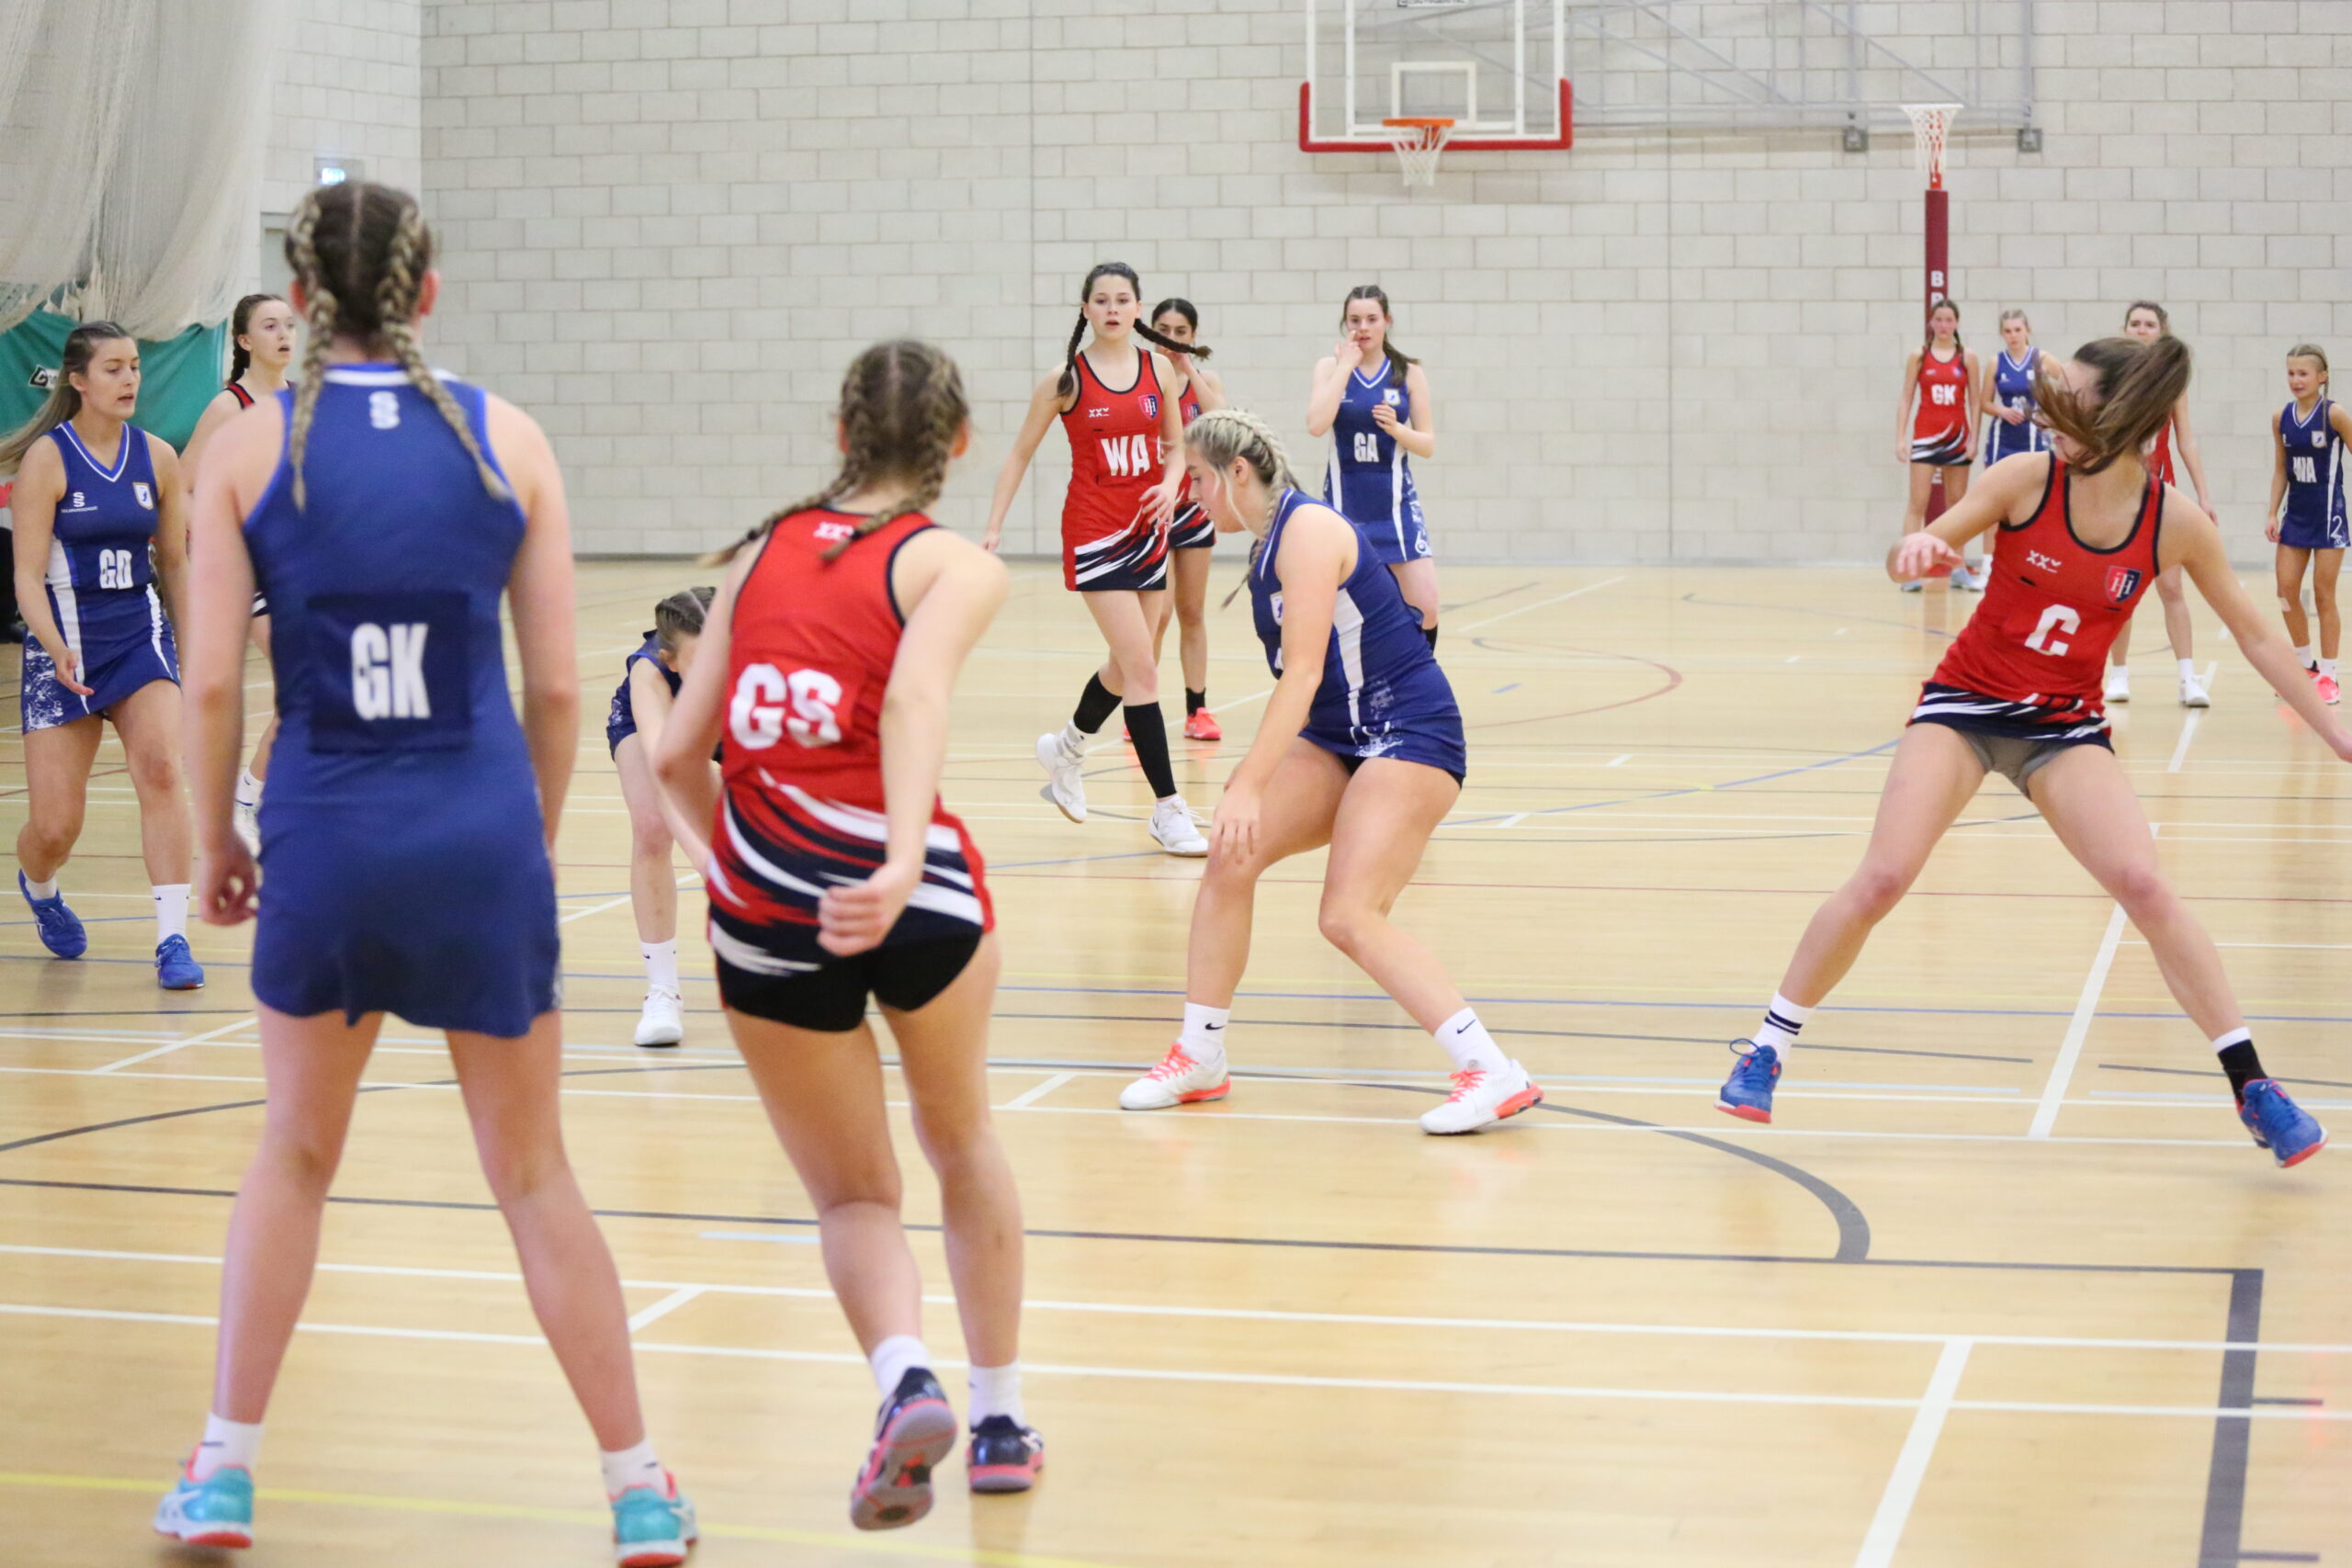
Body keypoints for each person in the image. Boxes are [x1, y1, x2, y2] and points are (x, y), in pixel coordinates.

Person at [164, 181, 696, 1563]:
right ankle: (639, 1487)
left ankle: (224, 1472)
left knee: (293, 1155)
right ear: (430, 291)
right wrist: (527, 834)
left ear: (300, 302)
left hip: (326, 836)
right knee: (533, 1172)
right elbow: (562, 688)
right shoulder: (503, 436)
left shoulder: (248, 446)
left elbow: (212, 680)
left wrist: (219, 838)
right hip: (476, 836)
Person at [1715, 333, 2335, 1170]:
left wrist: (2335, 729)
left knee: (2146, 884)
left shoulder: (2173, 522)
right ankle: (1768, 1047)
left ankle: (2253, 1085)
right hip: (1966, 706)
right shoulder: (2023, 479)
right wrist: (1914, 552)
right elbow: (1912, 550)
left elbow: (2258, 637)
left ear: (2114, 418)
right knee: (1884, 875)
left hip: (2063, 728)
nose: (2048, 411)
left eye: (2068, 398)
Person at [656, 340, 1044, 1530]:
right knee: (962, 1138)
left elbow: (674, 755)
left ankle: (904, 1376)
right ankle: (998, 1419)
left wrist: (736, 868)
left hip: (767, 904)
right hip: (910, 887)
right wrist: (896, 859)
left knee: (854, 1198)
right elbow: (915, 696)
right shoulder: (956, 563)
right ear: (959, 443)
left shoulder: (756, 554)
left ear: (839, 433)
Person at [1118, 408, 1545, 1136]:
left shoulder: (1309, 531)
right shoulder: (1265, 546)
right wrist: (1250, 777)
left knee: (1347, 914)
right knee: (1229, 856)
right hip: (1337, 738)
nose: (1191, 495)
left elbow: (1304, 670)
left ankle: (1491, 1068)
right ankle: (1200, 1055)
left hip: (1408, 731)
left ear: (1237, 473)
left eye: (1198, 480)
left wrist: (1251, 780)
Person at [983, 262, 1210, 854]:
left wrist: (1171, 484)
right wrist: (994, 528)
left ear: (1137, 308)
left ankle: (1066, 748)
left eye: (1122, 299)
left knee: (1125, 663)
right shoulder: (1065, 380)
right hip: (1094, 535)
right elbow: (1019, 454)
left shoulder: (1159, 369)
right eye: (1102, 300)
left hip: (1149, 530)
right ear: (1086, 309)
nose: (1112, 308)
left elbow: (1178, 448)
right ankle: (1168, 810)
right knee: (1143, 670)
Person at [1, 321, 203, 989]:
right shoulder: (48, 460)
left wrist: (194, 650)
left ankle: (173, 938)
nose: (130, 379)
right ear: (79, 381)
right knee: (55, 827)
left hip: (139, 637)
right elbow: (27, 576)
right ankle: (40, 885)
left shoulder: (158, 457)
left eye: (135, 366)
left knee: (162, 769)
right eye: (114, 368)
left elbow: (174, 564)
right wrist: (54, 645)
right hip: (66, 648)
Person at [183, 292, 300, 851]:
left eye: (289, 325)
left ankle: (263, 796)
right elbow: (182, 488)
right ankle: (246, 800)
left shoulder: (304, 401)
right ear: (245, 340)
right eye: (270, 326)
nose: (284, 334)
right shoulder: (229, 408)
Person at [607, 585, 716, 1044]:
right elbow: (667, 773)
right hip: (653, 723)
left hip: (723, 717)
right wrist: (704, 860)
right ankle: (662, 990)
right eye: (702, 662)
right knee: (652, 827)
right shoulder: (649, 675)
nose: (718, 671)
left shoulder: (756, 655)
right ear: (670, 660)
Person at [1306, 285, 1442, 641]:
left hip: (1394, 507)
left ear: (1387, 321)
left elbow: (1428, 444)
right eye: (1355, 320)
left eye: (1371, 319)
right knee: (1344, 613)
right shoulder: (1329, 367)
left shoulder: (1408, 372)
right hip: (1345, 505)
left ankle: (1418, 672)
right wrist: (1345, 366)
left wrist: (1398, 429)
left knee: (1426, 605)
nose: (1363, 327)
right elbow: (1316, 425)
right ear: (1345, 323)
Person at [2105, 300, 2216, 707]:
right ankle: (2118, 674)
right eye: (2134, 323)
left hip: (2160, 492)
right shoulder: (2111, 375)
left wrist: (2203, 495)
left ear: (2161, 331)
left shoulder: (2172, 380)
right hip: (2119, 494)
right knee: (2119, 589)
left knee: (2171, 586)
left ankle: (2188, 679)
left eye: (2149, 324)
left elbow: (2186, 439)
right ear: (2125, 329)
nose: (2141, 329)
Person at [1148, 297, 1227, 740]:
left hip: (1195, 509)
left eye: (1181, 332)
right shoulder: (1139, 377)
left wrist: (1189, 369)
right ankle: (1142, 707)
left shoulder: (1204, 380)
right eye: (1163, 329)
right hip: (1155, 509)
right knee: (1157, 615)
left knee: (1191, 611)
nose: (1171, 338)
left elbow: (1222, 424)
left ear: (1193, 336)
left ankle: (1198, 710)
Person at [2265, 343, 2350, 704]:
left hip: (2328, 517)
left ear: (2322, 377)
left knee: (2323, 594)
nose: (2296, 380)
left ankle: (2330, 674)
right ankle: (2305, 666)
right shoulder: (2280, 417)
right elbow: (2280, 469)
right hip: (2295, 517)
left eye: (2303, 373)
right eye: (2291, 373)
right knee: (2286, 593)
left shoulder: (2335, 415)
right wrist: (2272, 512)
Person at [1894, 298, 1982, 591]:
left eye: (1949, 320)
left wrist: (1974, 438)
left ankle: (1957, 568)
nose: (1944, 325)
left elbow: (1975, 401)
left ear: (1956, 323)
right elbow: (1906, 397)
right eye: (1939, 319)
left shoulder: (1967, 357)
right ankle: (1910, 572)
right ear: (1931, 322)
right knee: (1917, 503)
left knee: (1957, 505)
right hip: (1925, 438)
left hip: (1957, 439)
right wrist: (1900, 438)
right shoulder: (1919, 356)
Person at [1978, 309, 2048, 468]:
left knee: (2033, 481)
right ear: (2001, 334)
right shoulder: (1996, 362)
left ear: (2027, 330)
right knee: (1995, 482)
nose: (2013, 335)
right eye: (2008, 331)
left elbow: (2067, 383)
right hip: (2003, 436)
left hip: (2032, 434)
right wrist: (2002, 411)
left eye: (2018, 330)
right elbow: (1984, 403)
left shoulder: (2041, 358)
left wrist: (2050, 414)